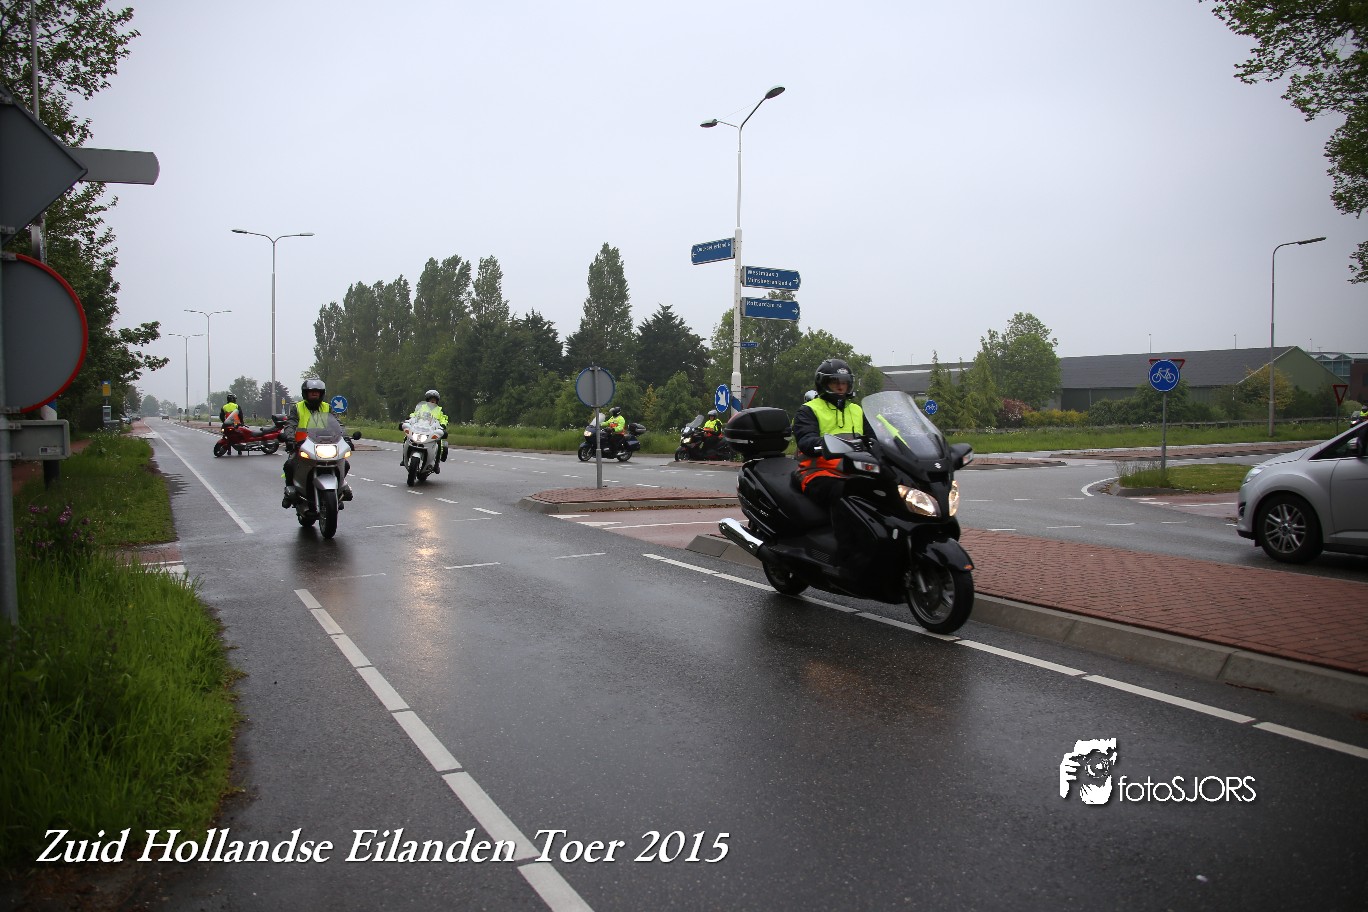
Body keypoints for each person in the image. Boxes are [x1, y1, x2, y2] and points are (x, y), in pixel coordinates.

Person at [792, 358, 873, 575]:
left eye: (844, 382)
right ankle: (847, 560)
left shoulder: (857, 410)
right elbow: (805, 439)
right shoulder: (809, 409)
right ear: (823, 384)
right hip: (816, 471)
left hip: (853, 470)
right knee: (843, 493)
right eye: (834, 382)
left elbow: (876, 436)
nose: (840, 386)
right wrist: (823, 444)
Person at [282, 378, 351, 507]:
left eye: (317, 392)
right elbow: (290, 425)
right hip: (302, 445)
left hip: (326, 444)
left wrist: (346, 438)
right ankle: (289, 492)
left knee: (345, 464)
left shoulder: (327, 407)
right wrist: (290, 438)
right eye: (311, 392)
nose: (314, 394)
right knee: (289, 465)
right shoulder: (298, 408)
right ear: (305, 393)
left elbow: (338, 425)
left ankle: (339, 492)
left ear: (321, 393)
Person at [404, 389, 449, 471]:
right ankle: (404, 458)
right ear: (427, 400)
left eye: (434, 400)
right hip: (420, 428)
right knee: (407, 437)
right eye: (431, 399)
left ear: (437, 401)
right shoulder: (422, 407)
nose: (432, 401)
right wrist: (410, 418)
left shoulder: (439, 410)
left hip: (433, 430)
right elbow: (415, 414)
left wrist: (443, 425)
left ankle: (436, 464)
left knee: (439, 443)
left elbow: (444, 418)